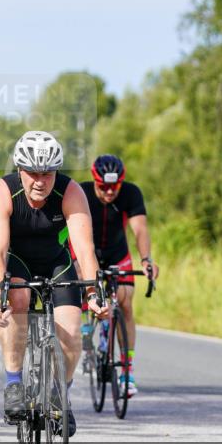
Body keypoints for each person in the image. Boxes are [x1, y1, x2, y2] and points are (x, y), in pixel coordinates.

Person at [0, 131, 108, 437]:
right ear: (19, 170)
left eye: (48, 174)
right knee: (17, 300)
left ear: (57, 172)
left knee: (72, 333)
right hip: (18, 261)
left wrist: (94, 293)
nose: (40, 181)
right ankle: (14, 383)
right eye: (33, 173)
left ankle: (58, 394)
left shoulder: (70, 192)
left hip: (56, 261)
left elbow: (85, 249)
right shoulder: (1, 193)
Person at [75, 154, 160, 397]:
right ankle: (86, 331)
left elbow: (140, 229)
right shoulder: (82, 193)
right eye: (104, 186)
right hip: (87, 253)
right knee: (82, 290)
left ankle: (127, 370)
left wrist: (146, 260)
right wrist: (74, 261)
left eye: (115, 186)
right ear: (95, 181)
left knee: (125, 303)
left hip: (117, 254)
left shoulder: (131, 193)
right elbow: (69, 229)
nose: (110, 191)